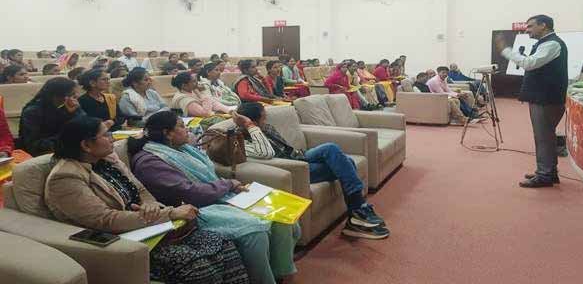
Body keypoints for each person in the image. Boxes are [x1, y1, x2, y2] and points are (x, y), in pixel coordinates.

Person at [45, 116, 249, 283]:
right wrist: (168, 214)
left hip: (150, 225)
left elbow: (140, 189)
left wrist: (150, 205)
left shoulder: (108, 159)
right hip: (124, 239)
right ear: (86, 145)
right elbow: (105, 220)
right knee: (198, 267)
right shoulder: (66, 177)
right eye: (106, 135)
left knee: (223, 244)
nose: (112, 138)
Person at [129, 111, 299, 284]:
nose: (187, 129)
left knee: (281, 215)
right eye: (181, 126)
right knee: (254, 230)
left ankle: (279, 274)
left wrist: (229, 186)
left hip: (216, 196)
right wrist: (227, 185)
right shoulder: (150, 162)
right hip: (191, 210)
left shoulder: (182, 149)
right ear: (167, 133)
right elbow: (190, 193)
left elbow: (209, 177)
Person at [237, 103, 389, 240]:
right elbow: (266, 153)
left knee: (331, 149)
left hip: (298, 156)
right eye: (263, 118)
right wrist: (251, 127)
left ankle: (357, 213)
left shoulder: (266, 128)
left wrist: (257, 127)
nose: (266, 121)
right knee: (347, 162)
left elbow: (286, 148)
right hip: (293, 167)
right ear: (253, 121)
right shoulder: (241, 139)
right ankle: (358, 210)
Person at [496, 15, 568, 188]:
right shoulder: (545, 43)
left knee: (543, 137)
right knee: (546, 137)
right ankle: (549, 172)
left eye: (530, 26)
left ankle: (544, 175)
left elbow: (529, 64)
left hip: (546, 99)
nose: (526, 30)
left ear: (543, 25)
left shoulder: (551, 44)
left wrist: (506, 50)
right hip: (544, 98)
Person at [17, 77, 84, 156]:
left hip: (64, 148)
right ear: (57, 95)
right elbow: (34, 145)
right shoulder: (33, 111)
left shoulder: (68, 106)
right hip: (43, 153)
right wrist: (67, 138)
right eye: (72, 94)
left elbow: (85, 127)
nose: (76, 96)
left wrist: (75, 113)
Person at [170, 72, 236, 117]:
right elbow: (206, 113)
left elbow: (213, 103)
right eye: (194, 81)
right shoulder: (184, 99)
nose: (197, 83)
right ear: (184, 86)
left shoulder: (192, 91)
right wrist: (201, 95)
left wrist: (229, 111)